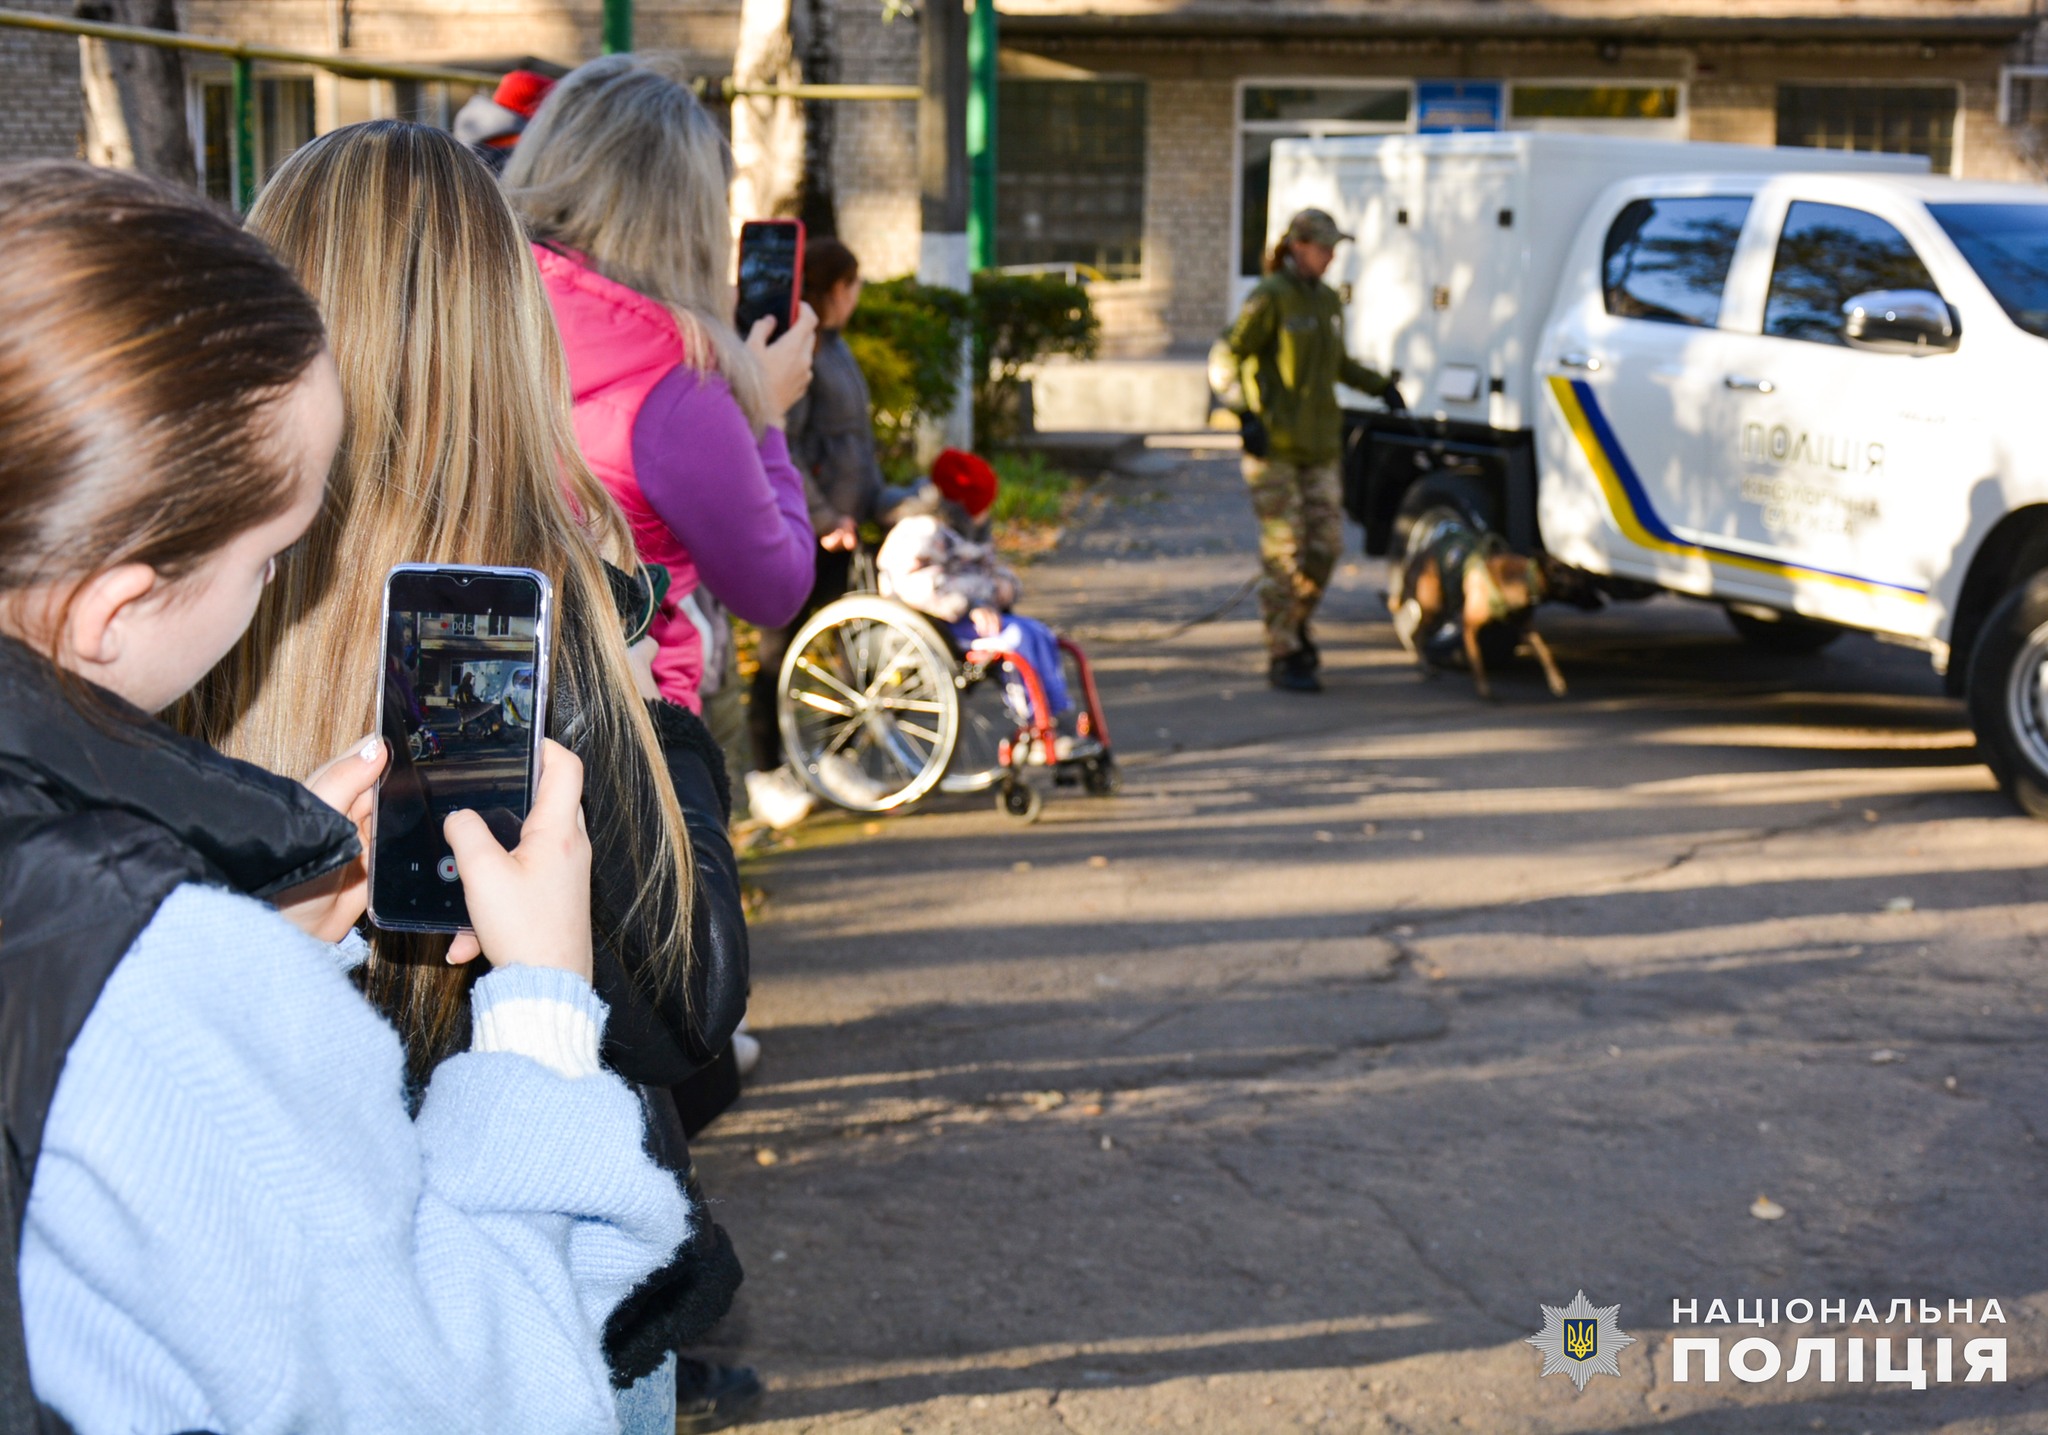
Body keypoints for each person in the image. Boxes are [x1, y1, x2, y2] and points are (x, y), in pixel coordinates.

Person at [0, 159, 686, 1435]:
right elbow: (494, 1398)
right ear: (112, 608)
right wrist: (539, 1006)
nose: (283, 590)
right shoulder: (164, 991)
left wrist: (258, 943)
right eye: (272, 557)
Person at [177, 122, 754, 1435]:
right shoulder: (546, 622)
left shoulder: (191, 617)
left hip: (274, 1280)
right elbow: (683, 1006)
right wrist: (663, 718)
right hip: (539, 1286)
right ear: (511, 334)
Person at [503, 52, 819, 721]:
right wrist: (764, 416)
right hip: (633, 742)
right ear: (690, 215)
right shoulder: (679, 395)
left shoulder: (473, 310)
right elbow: (774, 587)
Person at [747, 236, 932, 828]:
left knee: (850, 644)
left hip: (847, 525)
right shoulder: (798, 350)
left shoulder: (839, 350)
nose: (857, 296)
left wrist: (887, 502)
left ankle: (836, 753)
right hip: (805, 527)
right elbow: (785, 445)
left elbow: (855, 445)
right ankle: (766, 773)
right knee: (780, 648)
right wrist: (824, 517)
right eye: (852, 285)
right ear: (833, 289)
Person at [1223, 206, 1402, 694]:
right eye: (1324, 248)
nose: (1329, 258)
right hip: (1275, 448)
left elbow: (1337, 363)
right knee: (1285, 552)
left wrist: (1380, 387)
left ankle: (1295, 621)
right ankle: (1283, 650)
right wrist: (1244, 413)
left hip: (1319, 445)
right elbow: (1228, 354)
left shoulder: (1325, 301)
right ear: (1298, 247)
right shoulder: (1270, 297)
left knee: (1327, 547)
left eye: (1333, 249)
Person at [877, 450, 1075, 729]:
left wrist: (1004, 587)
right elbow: (913, 583)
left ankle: (1059, 711)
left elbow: (987, 571)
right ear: (964, 505)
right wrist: (970, 603)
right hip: (940, 623)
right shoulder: (921, 530)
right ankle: (1036, 720)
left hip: (973, 616)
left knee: (1040, 633)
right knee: (1015, 639)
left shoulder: (967, 533)